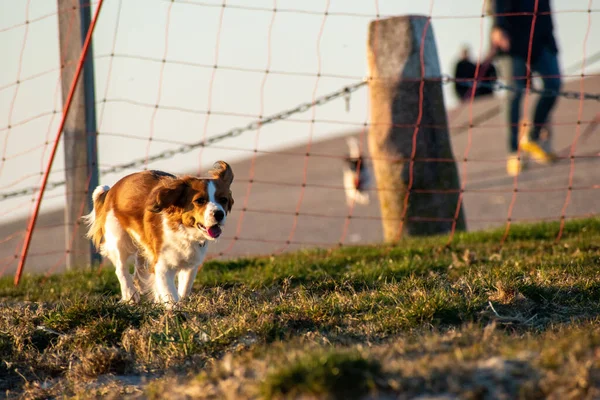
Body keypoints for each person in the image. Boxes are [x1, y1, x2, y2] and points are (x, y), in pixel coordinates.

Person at [491, 0, 561, 176]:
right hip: (510, 34)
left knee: (553, 84)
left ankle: (533, 136)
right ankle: (514, 152)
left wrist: (550, 36)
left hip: (541, 36)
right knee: (513, 94)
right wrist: (497, 26)